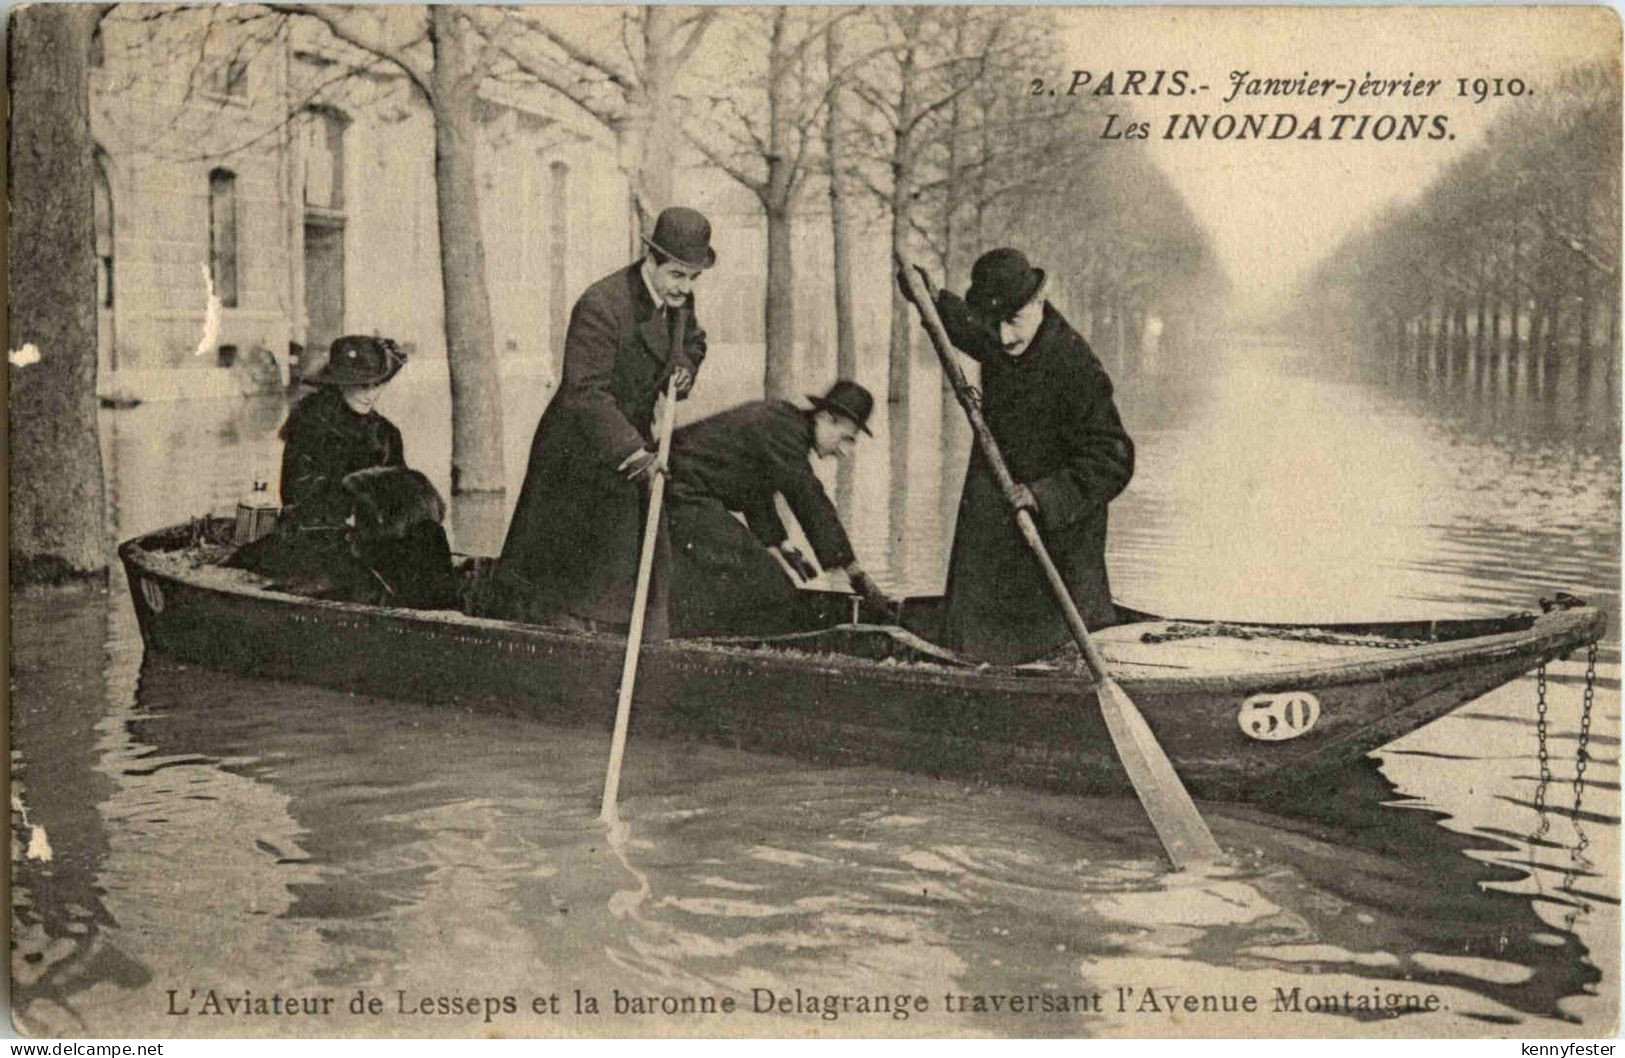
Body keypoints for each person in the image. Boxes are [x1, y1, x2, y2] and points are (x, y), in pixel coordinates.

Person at [900, 248, 1134, 664]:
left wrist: (1043, 495)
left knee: (1052, 649)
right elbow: (974, 330)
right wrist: (933, 300)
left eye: (1013, 321)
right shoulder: (1004, 331)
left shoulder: (1075, 366)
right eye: (997, 323)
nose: (1004, 337)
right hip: (997, 519)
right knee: (976, 635)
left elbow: (1112, 459)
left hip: (1056, 539)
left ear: (1039, 302)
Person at [488, 206, 714, 636]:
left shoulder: (678, 301)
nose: (684, 288)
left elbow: (694, 342)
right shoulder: (602, 304)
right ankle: (570, 640)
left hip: (628, 437)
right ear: (651, 259)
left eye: (692, 278)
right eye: (676, 276)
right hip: (580, 446)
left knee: (642, 548)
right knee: (575, 563)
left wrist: (683, 368)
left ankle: (637, 640)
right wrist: (635, 456)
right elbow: (585, 392)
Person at [666, 381, 892, 637]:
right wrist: (855, 572)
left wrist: (780, 544)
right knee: (768, 582)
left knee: (765, 576)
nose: (845, 451)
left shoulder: (785, 425)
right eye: (846, 438)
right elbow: (809, 499)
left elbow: (754, 490)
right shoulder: (785, 432)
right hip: (676, 491)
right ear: (826, 417)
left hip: (685, 491)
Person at [227, 334, 408, 578]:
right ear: (340, 382)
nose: (370, 395)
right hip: (314, 535)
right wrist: (353, 505)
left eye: (376, 384)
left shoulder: (386, 434)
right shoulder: (310, 422)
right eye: (361, 385)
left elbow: (400, 497)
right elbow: (294, 495)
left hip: (370, 537)